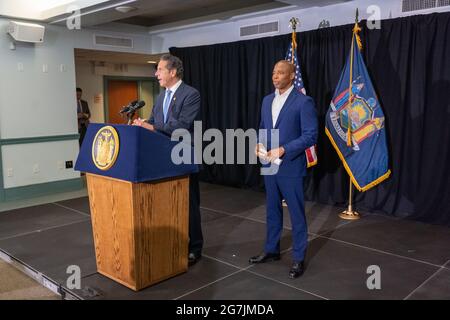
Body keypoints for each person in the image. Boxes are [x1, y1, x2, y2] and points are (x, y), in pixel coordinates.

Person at [249, 60, 318, 279]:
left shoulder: (304, 102)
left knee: (296, 213)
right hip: (268, 164)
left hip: (290, 165)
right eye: (273, 72)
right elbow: (262, 127)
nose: (275, 76)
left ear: (291, 76)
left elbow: (310, 135)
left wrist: (284, 149)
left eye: (280, 73)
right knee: (272, 210)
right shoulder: (267, 99)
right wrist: (259, 143)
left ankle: (298, 258)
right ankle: (271, 250)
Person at [133, 54, 203, 266]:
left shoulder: (191, 94)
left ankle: (195, 247)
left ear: (173, 72)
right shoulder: (160, 96)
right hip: (162, 158)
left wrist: (152, 126)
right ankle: (173, 241)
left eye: (160, 70)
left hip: (182, 155)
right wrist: (144, 122)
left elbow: (182, 125)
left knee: (189, 203)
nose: (156, 74)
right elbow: (155, 121)